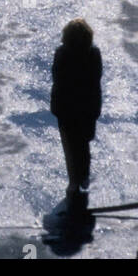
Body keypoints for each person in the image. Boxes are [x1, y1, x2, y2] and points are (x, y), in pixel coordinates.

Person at [50, 19, 103, 209]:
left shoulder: (62, 54)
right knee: (83, 144)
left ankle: (74, 181)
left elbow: (57, 77)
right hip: (87, 107)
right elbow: (96, 80)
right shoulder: (94, 54)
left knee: (70, 146)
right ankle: (84, 176)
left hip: (66, 108)